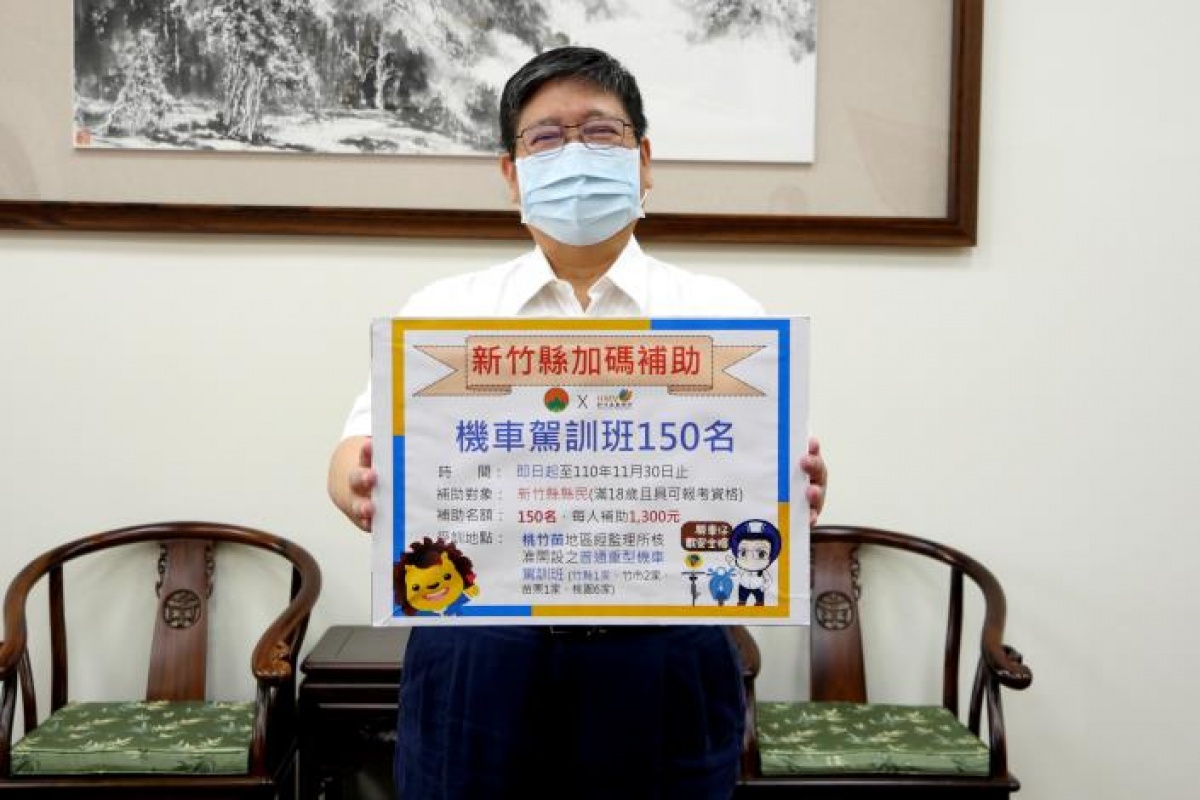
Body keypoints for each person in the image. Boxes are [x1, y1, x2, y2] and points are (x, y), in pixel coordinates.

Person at [328, 46, 828, 800]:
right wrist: (359, 482)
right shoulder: (443, 314)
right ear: (511, 173)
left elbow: (774, 472)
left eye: (599, 132)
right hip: (480, 656)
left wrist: (803, 484)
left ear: (644, 160)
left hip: (663, 657)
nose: (575, 154)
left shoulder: (724, 315)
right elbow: (352, 456)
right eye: (546, 137)